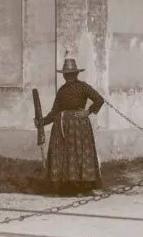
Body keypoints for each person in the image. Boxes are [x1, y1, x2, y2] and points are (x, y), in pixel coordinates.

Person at [35, 57, 104, 195]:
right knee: (64, 154)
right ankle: (67, 187)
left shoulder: (83, 87)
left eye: (70, 74)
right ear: (65, 75)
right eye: (67, 74)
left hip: (79, 126)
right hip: (62, 127)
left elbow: (99, 100)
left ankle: (82, 187)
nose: (69, 77)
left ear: (75, 74)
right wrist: (42, 122)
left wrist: (88, 112)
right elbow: (55, 112)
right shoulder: (62, 91)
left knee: (79, 154)